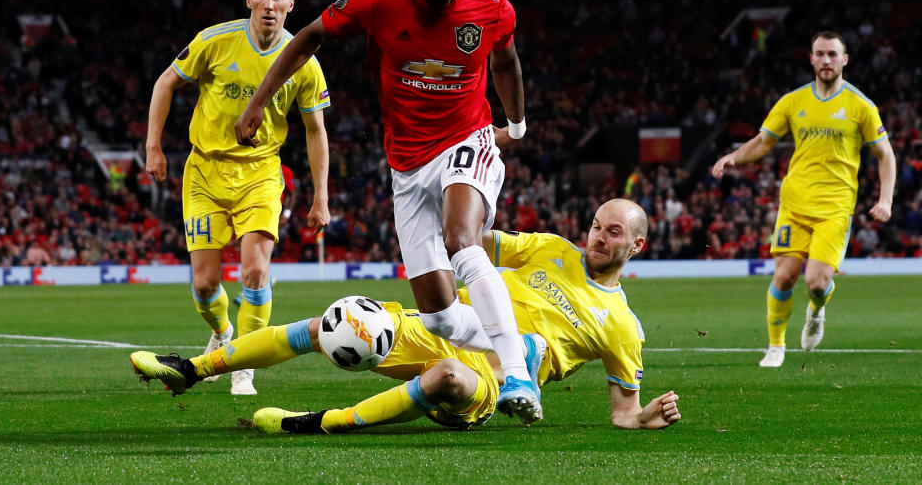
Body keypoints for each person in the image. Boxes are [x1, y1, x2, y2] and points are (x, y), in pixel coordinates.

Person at [233, 0, 540, 421]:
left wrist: (518, 122)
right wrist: (260, 100)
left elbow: (505, 60)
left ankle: (516, 375)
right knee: (441, 318)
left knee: (461, 239)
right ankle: (520, 342)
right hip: (406, 162)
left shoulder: (491, 5)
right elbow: (308, 37)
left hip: (468, 138)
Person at [131, 199, 681, 433]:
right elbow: (477, 239)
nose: (597, 237)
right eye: (596, 226)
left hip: (493, 375)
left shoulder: (622, 325)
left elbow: (621, 410)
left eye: (613, 232)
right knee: (333, 324)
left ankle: (321, 423)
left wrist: (641, 417)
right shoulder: (552, 248)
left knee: (445, 378)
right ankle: (192, 369)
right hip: (444, 324)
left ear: (636, 245)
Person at [145, 0, 332, 395]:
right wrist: (153, 146)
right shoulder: (216, 40)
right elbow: (164, 84)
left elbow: (316, 130)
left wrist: (321, 196)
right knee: (205, 283)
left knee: (253, 270)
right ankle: (223, 332)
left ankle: (242, 363)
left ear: (291, 5)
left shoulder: (302, 60)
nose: (269, 4)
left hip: (260, 175)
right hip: (204, 172)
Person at [711, 30, 895, 368]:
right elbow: (763, 141)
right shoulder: (792, 102)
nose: (826, 60)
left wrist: (886, 200)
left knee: (816, 282)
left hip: (835, 209)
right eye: (820, 54)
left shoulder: (861, 106)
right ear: (811, 59)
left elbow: (885, 154)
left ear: (845, 60)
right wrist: (734, 156)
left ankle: (817, 310)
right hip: (794, 204)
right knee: (783, 277)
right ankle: (776, 346)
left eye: (832, 54)